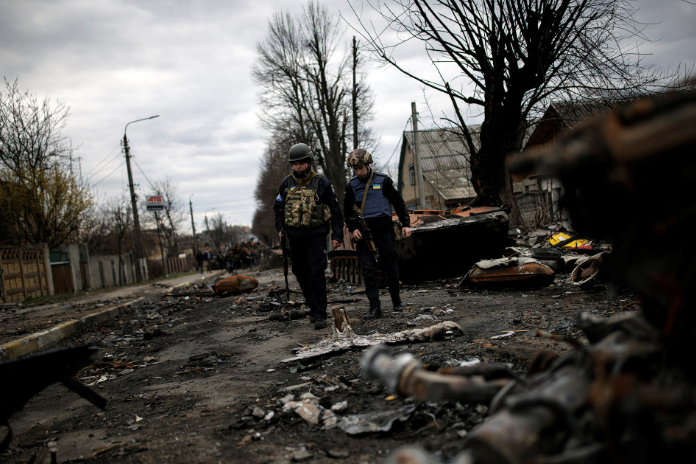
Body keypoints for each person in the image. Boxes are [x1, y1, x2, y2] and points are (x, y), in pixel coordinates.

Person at [273, 143, 344, 330]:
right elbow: (278, 208)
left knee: (316, 272)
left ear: (309, 162)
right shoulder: (286, 184)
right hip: (295, 237)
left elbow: (335, 210)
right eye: (295, 164)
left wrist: (337, 235)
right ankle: (313, 308)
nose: (298, 167)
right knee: (300, 273)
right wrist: (281, 228)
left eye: (301, 163)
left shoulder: (321, 182)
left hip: (316, 235)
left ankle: (320, 313)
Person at [343, 148, 411, 319]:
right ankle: (375, 308)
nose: (359, 172)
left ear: (368, 165)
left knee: (390, 267)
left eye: (361, 168)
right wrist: (353, 229)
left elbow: (398, 202)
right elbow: (347, 211)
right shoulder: (351, 185)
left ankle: (397, 302)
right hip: (363, 233)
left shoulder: (383, 180)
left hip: (384, 230)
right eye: (355, 169)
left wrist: (405, 224)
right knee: (368, 270)